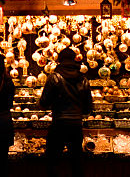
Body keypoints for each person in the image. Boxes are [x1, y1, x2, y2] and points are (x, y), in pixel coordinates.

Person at [38, 47, 92, 177]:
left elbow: (44, 103)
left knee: (52, 161)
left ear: (60, 60)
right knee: (76, 162)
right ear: (74, 60)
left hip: (59, 124)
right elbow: (88, 108)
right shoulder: (83, 79)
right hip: (76, 125)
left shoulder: (54, 77)